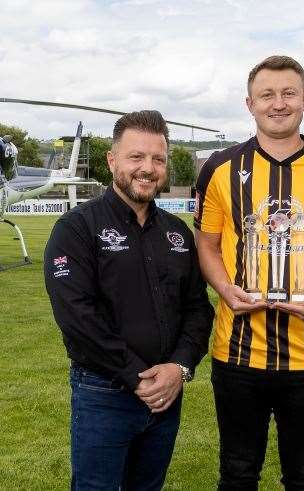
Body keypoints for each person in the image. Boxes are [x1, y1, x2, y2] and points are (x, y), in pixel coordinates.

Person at [195, 55, 304, 490]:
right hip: (237, 353)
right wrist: (223, 287)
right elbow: (207, 245)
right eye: (267, 95)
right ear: (250, 103)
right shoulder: (220, 169)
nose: (278, 103)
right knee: (238, 473)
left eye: (288, 93)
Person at [43, 110, 214, 490]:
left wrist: (179, 369)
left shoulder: (176, 233)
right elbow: (77, 317)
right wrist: (136, 376)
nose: (148, 169)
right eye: (136, 157)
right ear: (112, 160)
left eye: (158, 159)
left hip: (165, 397)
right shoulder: (76, 228)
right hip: (104, 395)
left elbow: (198, 310)